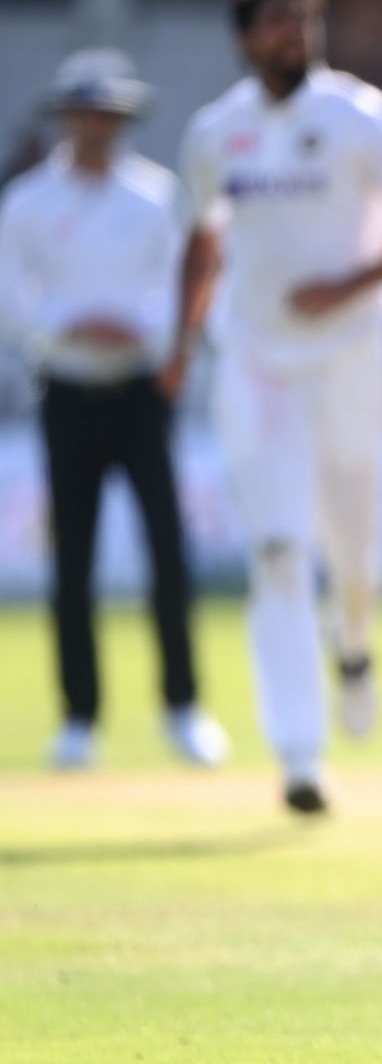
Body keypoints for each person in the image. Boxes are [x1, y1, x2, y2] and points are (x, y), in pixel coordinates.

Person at [169, 0, 382, 814]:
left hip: (349, 356)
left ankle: (357, 642)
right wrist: (182, 338)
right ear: (245, 39)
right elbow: (203, 241)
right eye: (275, 22)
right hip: (255, 360)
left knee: (352, 544)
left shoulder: (359, 115)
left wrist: (350, 284)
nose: (292, 34)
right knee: (277, 549)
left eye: (303, 19)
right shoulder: (215, 132)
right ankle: (299, 755)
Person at [0, 49, 230, 771]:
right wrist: (60, 328)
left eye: (107, 114)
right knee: (74, 558)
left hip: (140, 389)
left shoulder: (158, 196)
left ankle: (184, 708)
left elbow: (186, 279)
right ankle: (79, 718)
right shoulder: (31, 200)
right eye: (83, 113)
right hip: (66, 389)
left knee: (167, 550)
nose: (95, 126)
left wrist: (158, 340)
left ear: (122, 119)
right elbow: (10, 295)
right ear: (65, 117)